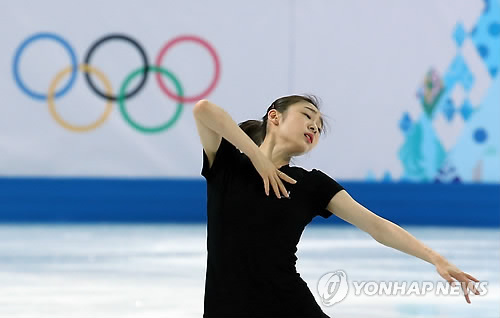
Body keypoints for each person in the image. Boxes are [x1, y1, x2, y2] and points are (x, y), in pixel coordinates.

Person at [192, 95, 480, 317]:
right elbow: (203, 110)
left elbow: (376, 226)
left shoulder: (311, 185)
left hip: (288, 306)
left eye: (318, 128)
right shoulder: (228, 165)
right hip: (224, 309)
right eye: (307, 116)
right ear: (274, 117)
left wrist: (436, 259)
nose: (313, 127)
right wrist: (256, 157)